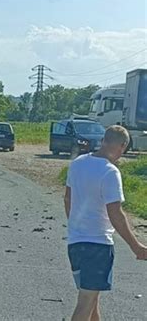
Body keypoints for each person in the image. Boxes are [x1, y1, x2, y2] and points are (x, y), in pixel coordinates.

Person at [64, 125, 147, 321]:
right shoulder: (110, 172)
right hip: (98, 245)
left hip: (75, 243)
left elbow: (68, 198)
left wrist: (76, 225)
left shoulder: (78, 163)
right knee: (86, 302)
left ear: (104, 141)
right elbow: (115, 213)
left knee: (92, 298)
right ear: (123, 146)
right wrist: (136, 246)